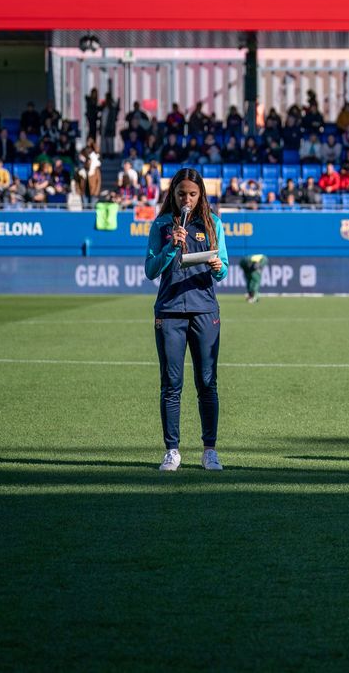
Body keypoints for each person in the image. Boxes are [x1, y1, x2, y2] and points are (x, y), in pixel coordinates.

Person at [144, 167, 229, 473]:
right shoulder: (163, 224)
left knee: (207, 382)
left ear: (201, 194)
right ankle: (172, 450)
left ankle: (210, 450)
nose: (187, 199)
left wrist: (218, 266)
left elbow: (224, 270)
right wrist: (171, 246)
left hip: (205, 310)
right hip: (169, 311)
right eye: (182, 194)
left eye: (193, 194)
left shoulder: (213, 223)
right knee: (171, 383)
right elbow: (151, 269)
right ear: (174, 194)